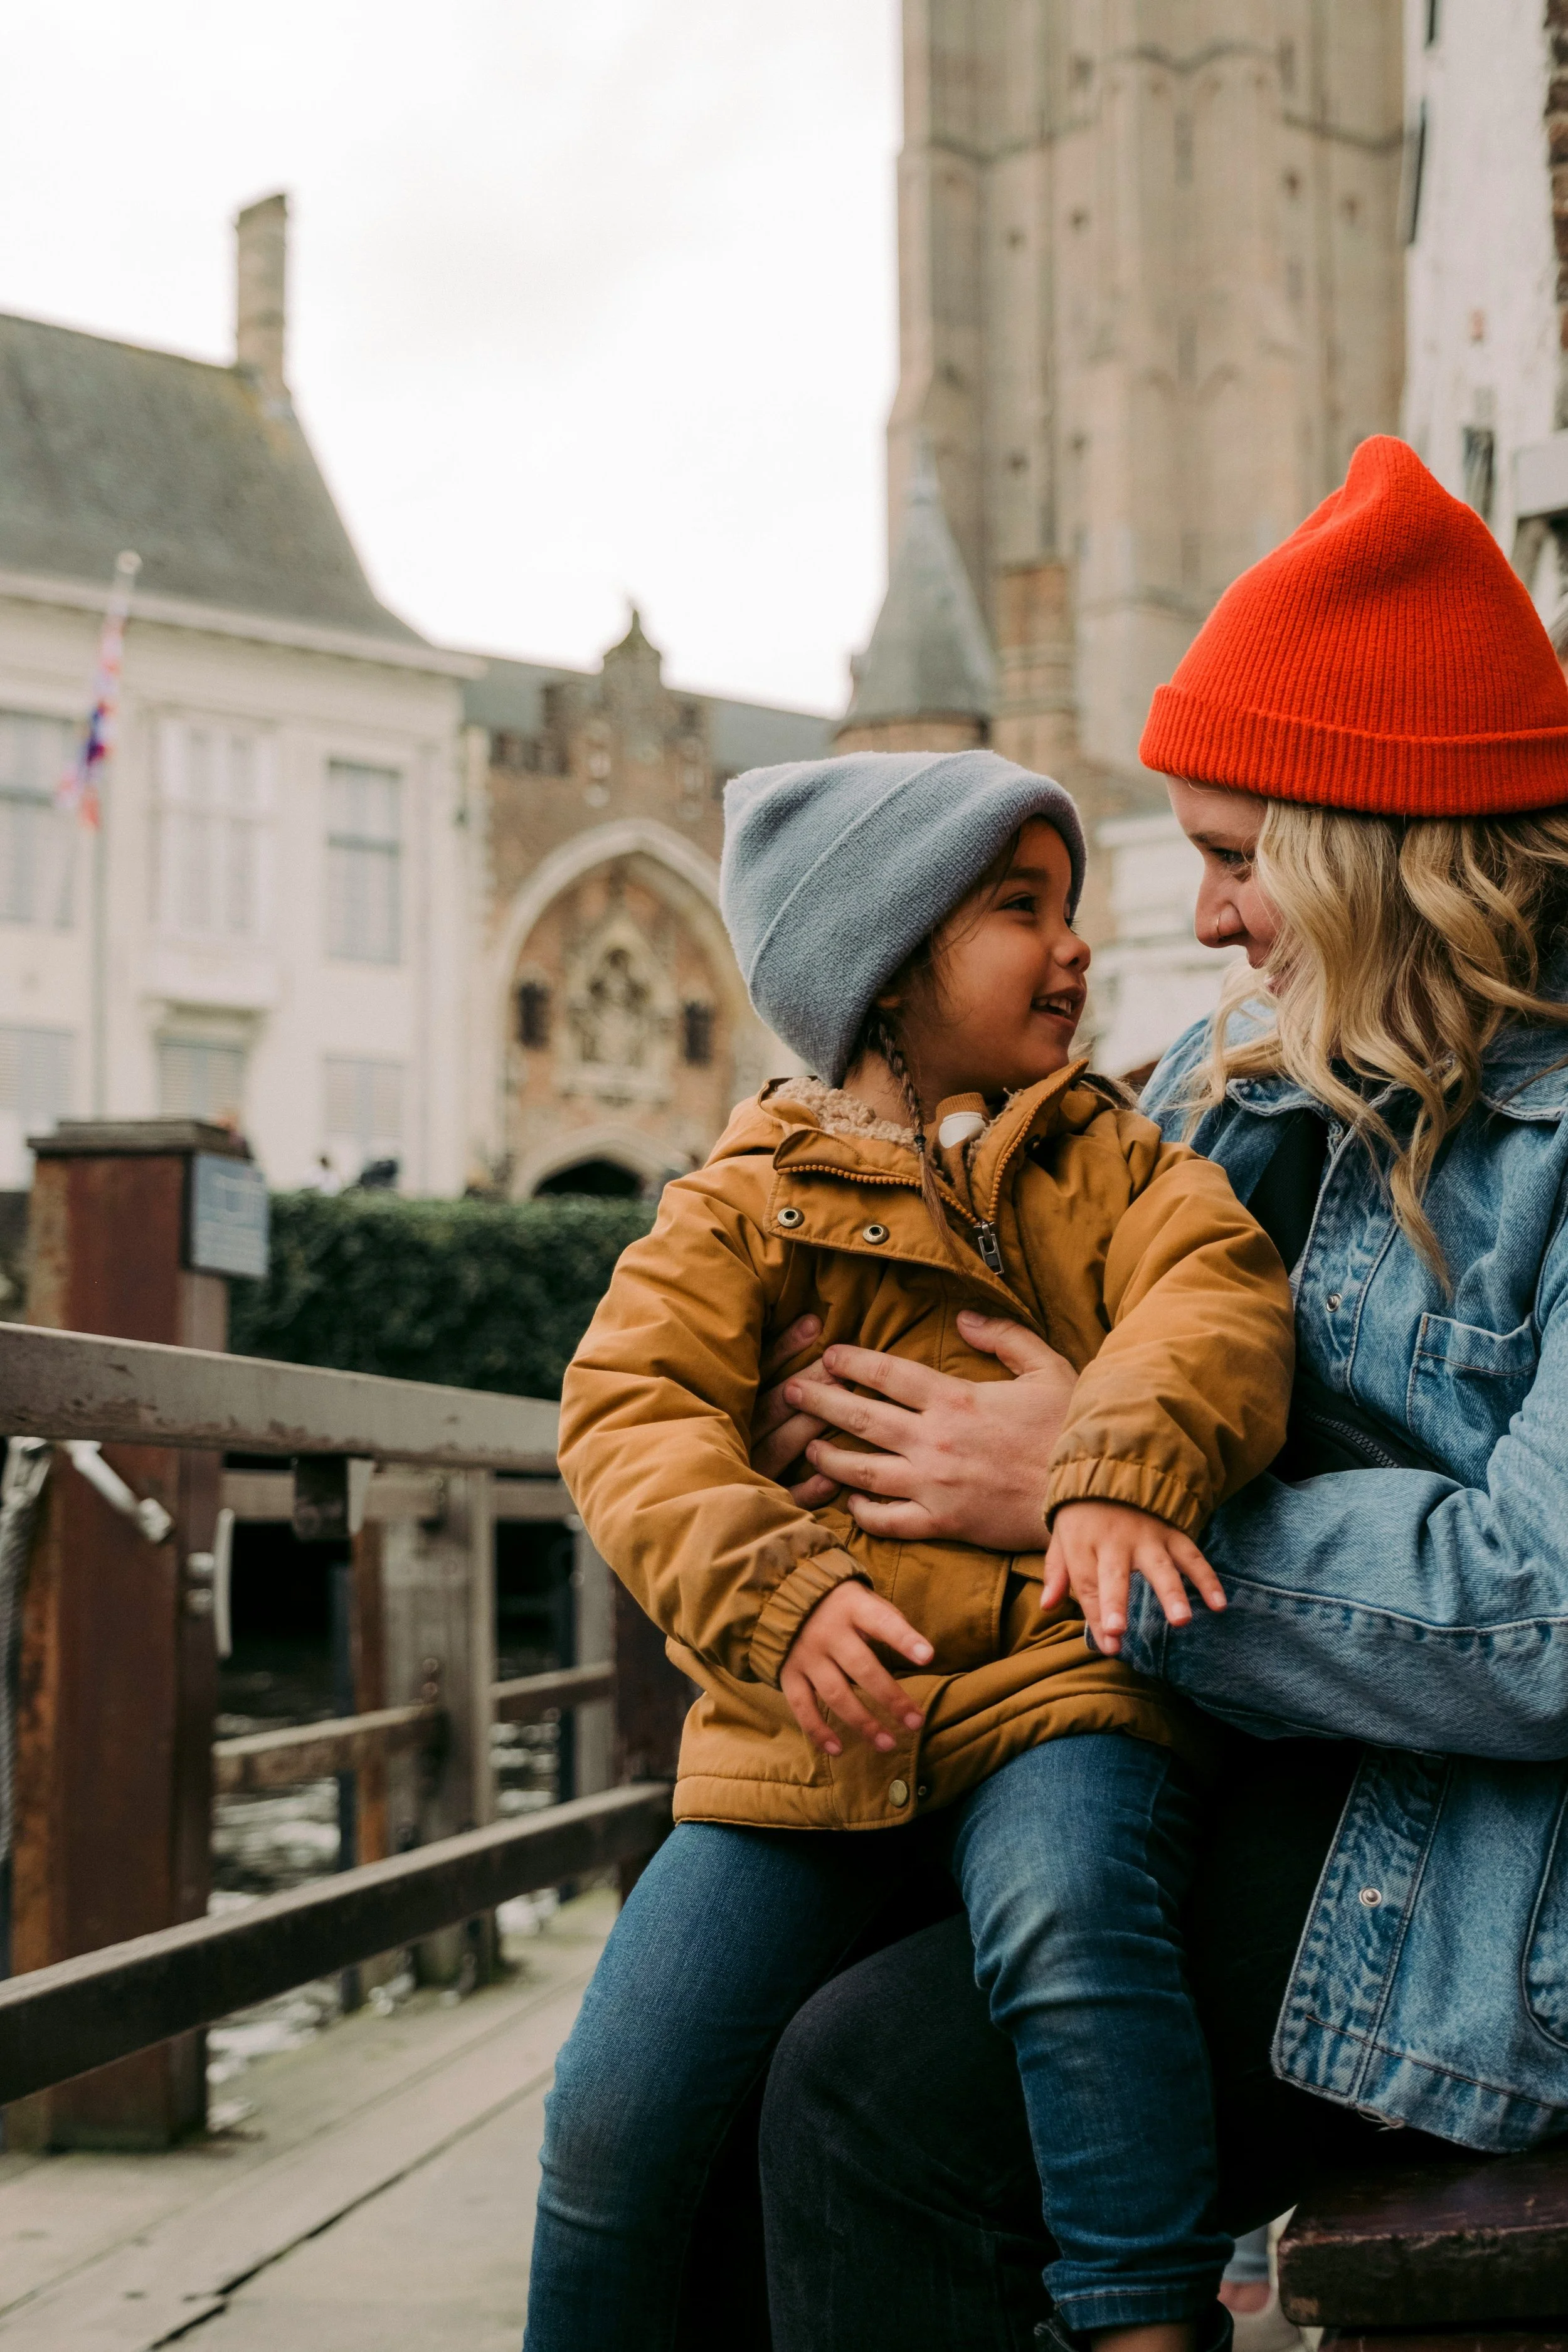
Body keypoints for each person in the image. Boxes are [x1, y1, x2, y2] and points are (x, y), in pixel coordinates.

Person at [747, 436, 1568, 2349]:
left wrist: (1092, 1499)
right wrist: (828, 1393)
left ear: (1382, 853)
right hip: (1204, 1753)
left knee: (875, 2103)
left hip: (1467, 1864)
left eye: (1228, 856)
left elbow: (1542, 1612)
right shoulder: (1233, 1080)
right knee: (715, 2014)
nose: (1197, 921)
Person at [526, 747, 1297, 2352]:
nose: (1073, 944)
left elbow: (1214, 1299)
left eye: (1068, 903)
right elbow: (628, 1409)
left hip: (1048, 1689)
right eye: (1020, 908)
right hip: (808, 1726)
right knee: (613, 2106)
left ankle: (1143, 2318)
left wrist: (1112, 1462)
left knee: (1072, 1926)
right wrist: (776, 1591)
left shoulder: (1109, 1156)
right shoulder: (738, 1204)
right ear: (880, 966)